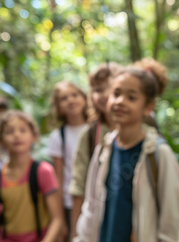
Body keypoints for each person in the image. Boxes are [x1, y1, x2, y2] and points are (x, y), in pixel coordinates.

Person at [74, 58, 179, 242]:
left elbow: (171, 222)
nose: (120, 101)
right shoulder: (103, 150)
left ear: (148, 107)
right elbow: (90, 207)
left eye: (131, 97)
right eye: (116, 94)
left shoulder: (158, 154)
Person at [0, 111, 63, 242]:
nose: (17, 135)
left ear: (33, 136)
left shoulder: (43, 171)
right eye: (10, 131)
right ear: (1, 140)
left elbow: (57, 219)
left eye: (23, 130)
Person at [68, 62, 122, 239]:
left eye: (110, 88)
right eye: (97, 90)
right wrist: (75, 235)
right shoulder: (90, 135)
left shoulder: (144, 126)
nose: (103, 95)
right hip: (97, 223)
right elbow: (79, 187)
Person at [46, 81, 89, 240]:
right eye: (64, 98)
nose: (71, 100)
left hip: (96, 197)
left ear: (84, 98)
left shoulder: (96, 128)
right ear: (58, 107)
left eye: (74, 95)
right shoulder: (58, 136)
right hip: (70, 203)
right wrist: (60, 219)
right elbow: (58, 177)